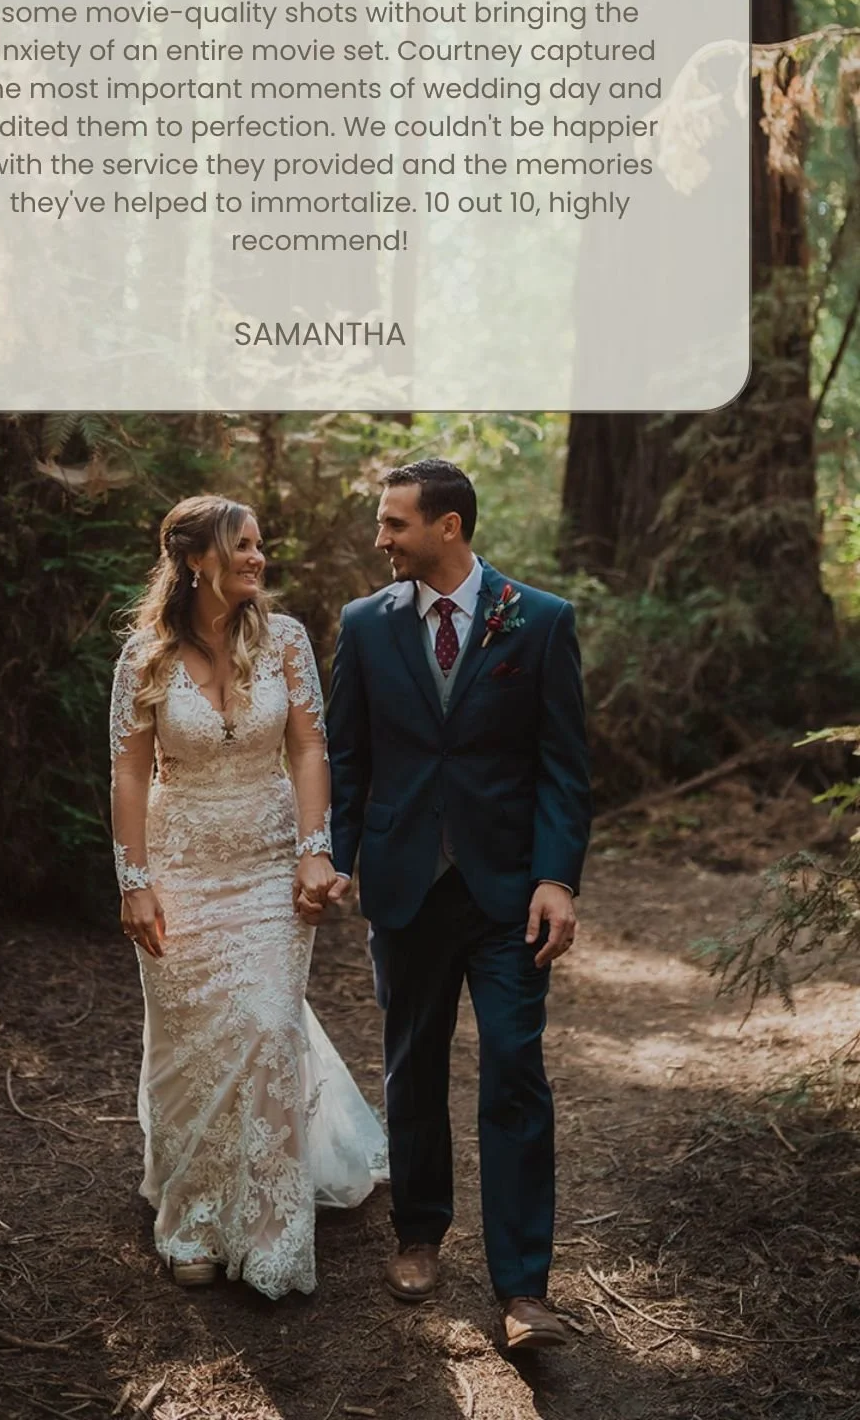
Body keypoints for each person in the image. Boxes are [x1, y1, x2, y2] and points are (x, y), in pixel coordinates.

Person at [322, 458, 592, 1351]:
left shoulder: (540, 621)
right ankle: (419, 1232)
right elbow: (348, 756)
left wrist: (558, 876)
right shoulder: (365, 626)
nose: (381, 539)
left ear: (449, 527)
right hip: (406, 882)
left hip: (509, 889)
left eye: (395, 523)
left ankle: (523, 1290)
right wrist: (333, 856)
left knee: (516, 1069)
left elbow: (563, 765)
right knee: (412, 1063)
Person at [109, 494, 386, 1299]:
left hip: (270, 863)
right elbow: (128, 771)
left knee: (266, 1026)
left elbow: (308, 748)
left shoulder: (288, 642)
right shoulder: (144, 660)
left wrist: (314, 850)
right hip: (181, 863)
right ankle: (193, 1216)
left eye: (261, 544)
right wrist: (135, 881)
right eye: (242, 546)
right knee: (191, 1042)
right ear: (197, 560)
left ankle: (268, 1227)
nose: (258, 558)